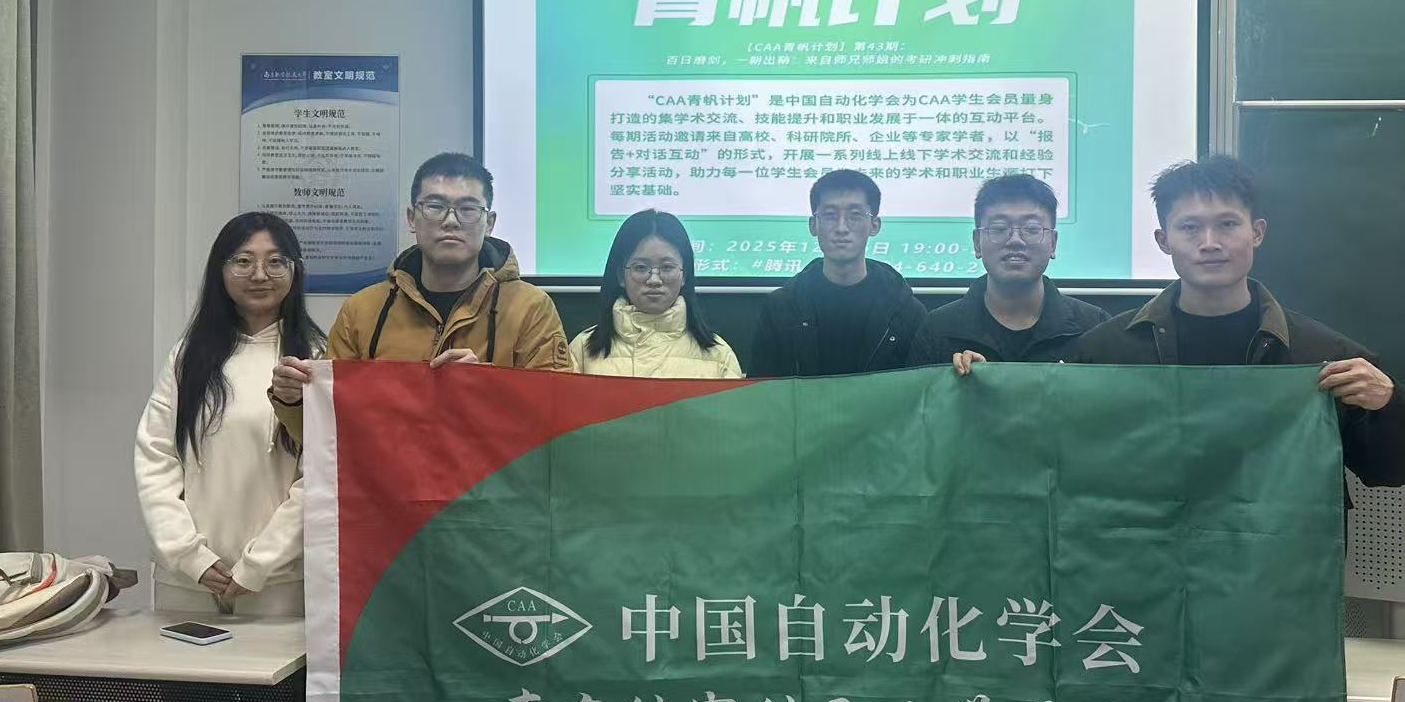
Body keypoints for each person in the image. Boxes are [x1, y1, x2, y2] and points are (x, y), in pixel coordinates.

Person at [1072, 155, 1405, 493]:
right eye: (1190, 227)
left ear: (1257, 232)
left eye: (1227, 224)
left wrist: (1390, 403)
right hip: (1147, 544)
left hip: (1285, 545)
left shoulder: (1324, 356)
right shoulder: (1105, 353)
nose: (1210, 243)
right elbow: (1076, 468)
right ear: (1163, 240)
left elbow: (1397, 470)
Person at [269, 152, 569, 437]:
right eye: (435, 206)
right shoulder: (363, 310)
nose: (451, 220)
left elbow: (559, 419)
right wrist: (295, 401)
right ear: (412, 218)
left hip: (493, 475)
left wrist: (488, 389)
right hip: (388, 474)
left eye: (467, 209)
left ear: (488, 223)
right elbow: (329, 433)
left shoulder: (530, 308)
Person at [135, 213, 324, 616]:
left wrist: (259, 564)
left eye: (276, 261)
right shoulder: (188, 356)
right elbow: (155, 458)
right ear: (219, 269)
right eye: (243, 261)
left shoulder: (313, 360)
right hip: (186, 579)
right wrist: (189, 556)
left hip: (277, 582)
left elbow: (320, 476)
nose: (260, 274)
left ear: (295, 271)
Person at [908, 173, 1106, 373]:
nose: (1015, 240)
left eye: (1031, 228)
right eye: (999, 228)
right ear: (977, 242)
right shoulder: (938, 330)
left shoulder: (1094, 326)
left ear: (1053, 244)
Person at [750, 169, 925, 377]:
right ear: (813, 225)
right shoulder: (781, 308)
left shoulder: (906, 312)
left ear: (874, 225)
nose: (841, 228)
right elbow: (762, 390)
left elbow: (922, 390)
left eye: (855, 215)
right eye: (830, 215)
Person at [571, 210, 743, 379]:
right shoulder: (582, 350)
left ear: (684, 275)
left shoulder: (719, 355)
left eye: (667, 267)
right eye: (641, 267)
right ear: (620, 276)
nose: (654, 280)